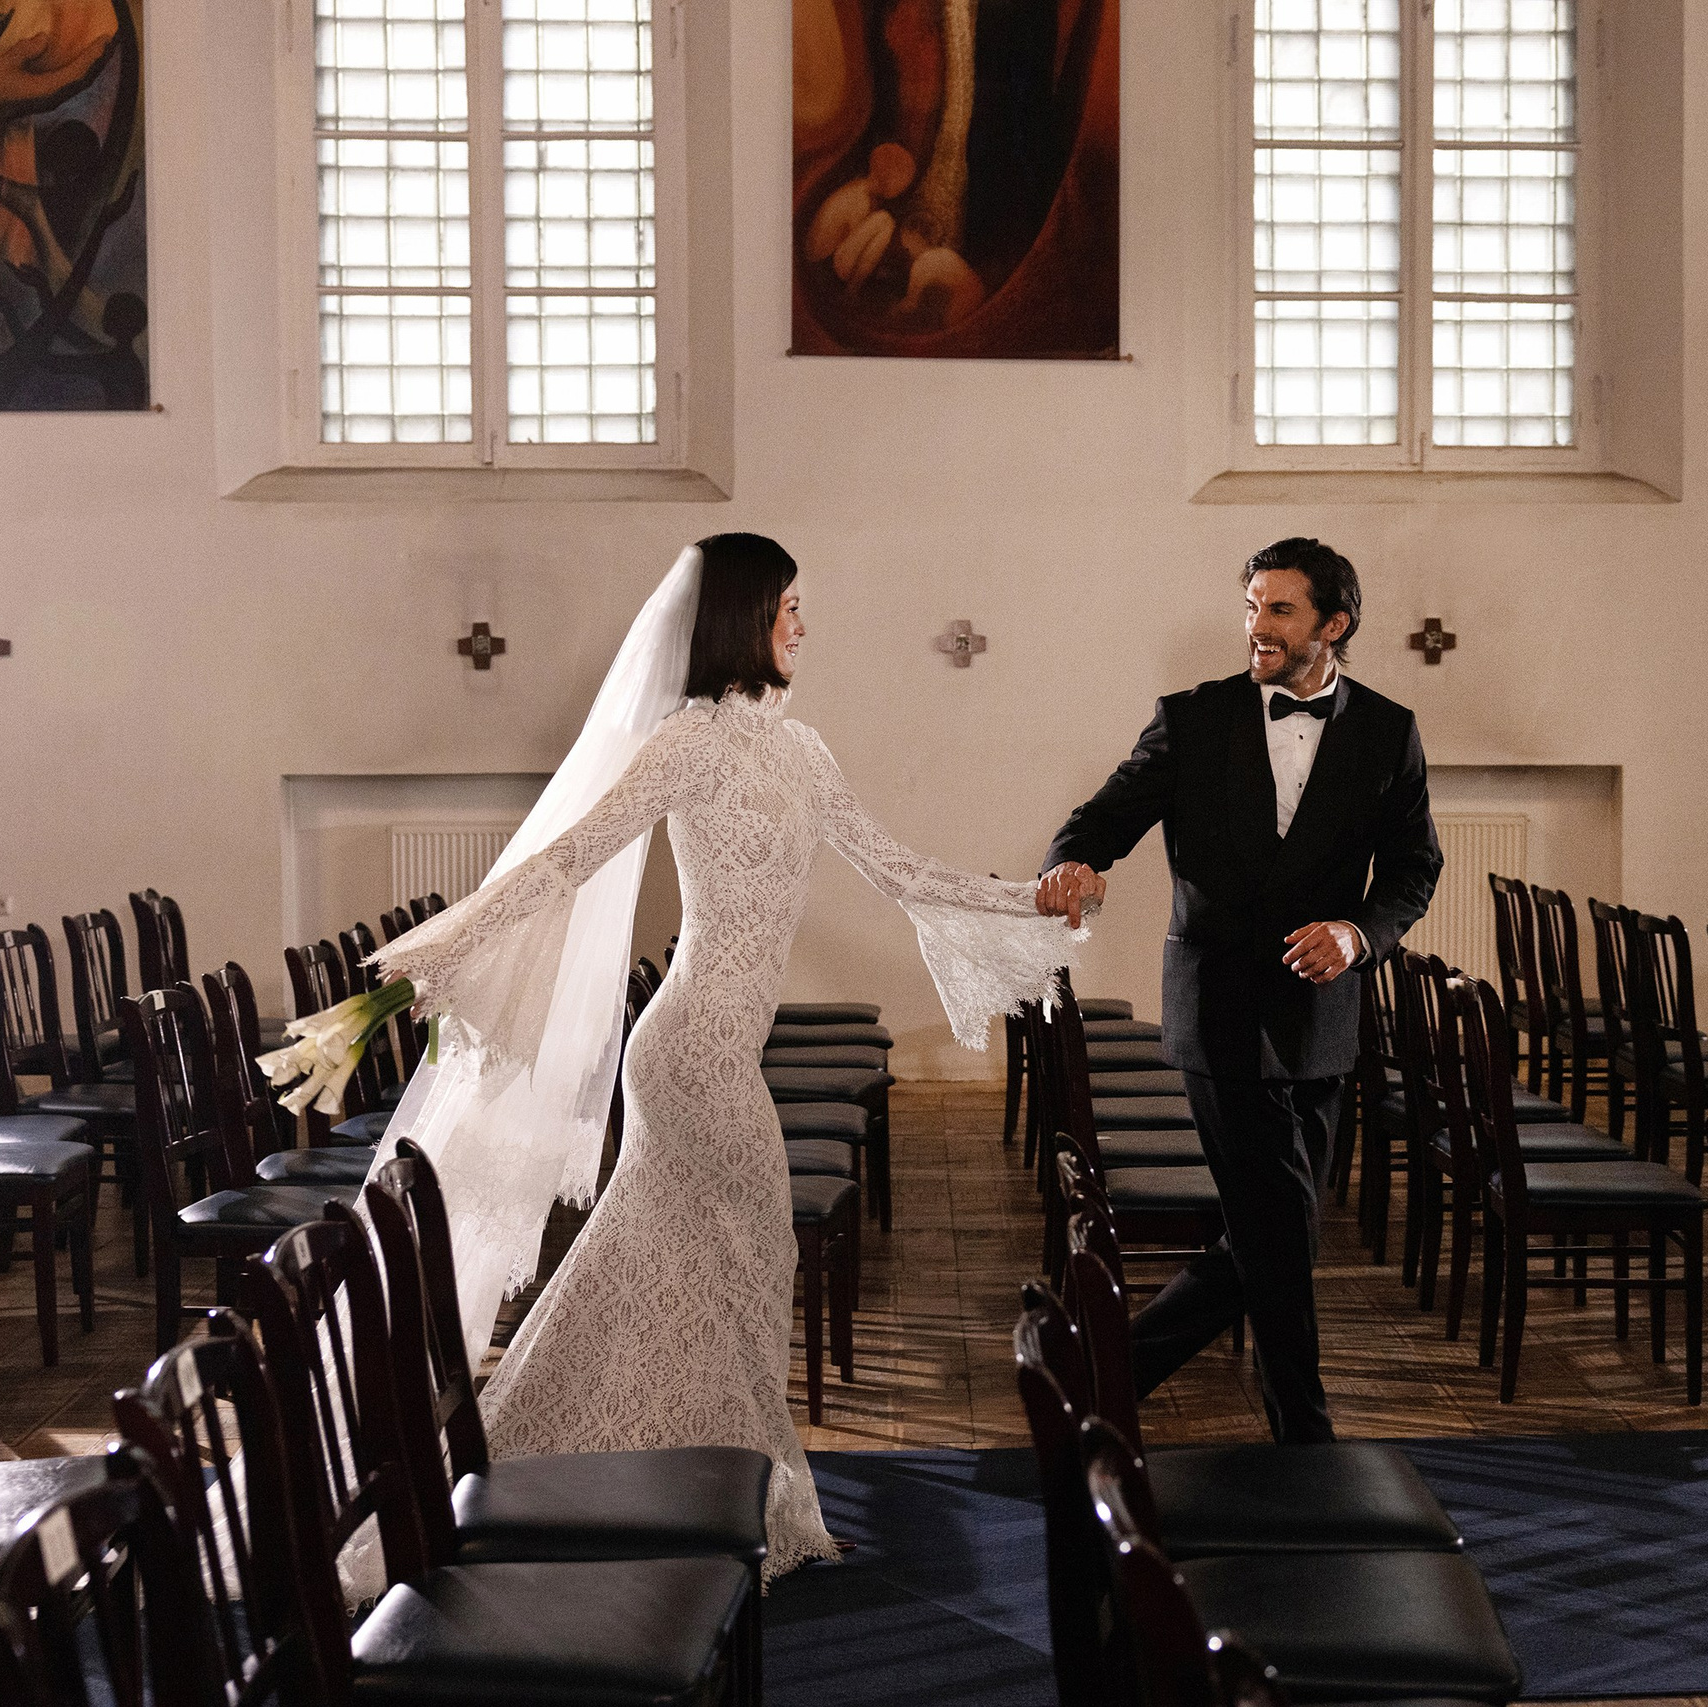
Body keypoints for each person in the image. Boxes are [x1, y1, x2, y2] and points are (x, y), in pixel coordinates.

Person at [374, 533, 1083, 1577]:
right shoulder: (686, 744)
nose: (803, 625)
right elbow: (570, 853)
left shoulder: (802, 751)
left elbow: (894, 868)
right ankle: (763, 1494)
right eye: (788, 605)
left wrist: (1028, 898)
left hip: (725, 1049)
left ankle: (605, 1458)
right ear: (744, 618)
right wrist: (451, 940)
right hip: (687, 1048)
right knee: (759, 1252)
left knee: (668, 1259)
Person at [1036, 538, 1440, 1442]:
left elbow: (1416, 866)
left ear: (1333, 625)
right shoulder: (1193, 718)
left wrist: (1358, 933)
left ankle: (1103, 1376)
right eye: (1252, 605)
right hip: (1217, 1012)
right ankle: (1307, 1434)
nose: (1258, 626)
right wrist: (1073, 864)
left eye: (1281, 609)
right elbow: (1098, 821)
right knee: (1276, 1221)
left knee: (1273, 1232)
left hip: (1324, 1018)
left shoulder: (1387, 729)